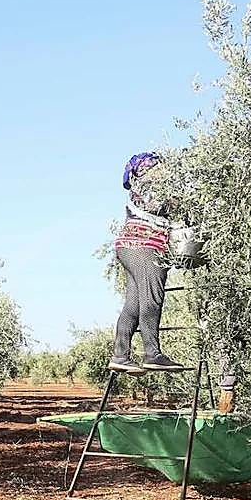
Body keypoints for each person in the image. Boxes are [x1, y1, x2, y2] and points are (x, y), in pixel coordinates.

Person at [108, 152, 185, 374]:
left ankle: (120, 356)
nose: (164, 170)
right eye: (159, 166)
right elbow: (167, 206)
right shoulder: (151, 186)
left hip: (127, 247)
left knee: (133, 305)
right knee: (152, 298)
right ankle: (153, 354)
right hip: (145, 247)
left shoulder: (138, 187)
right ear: (149, 168)